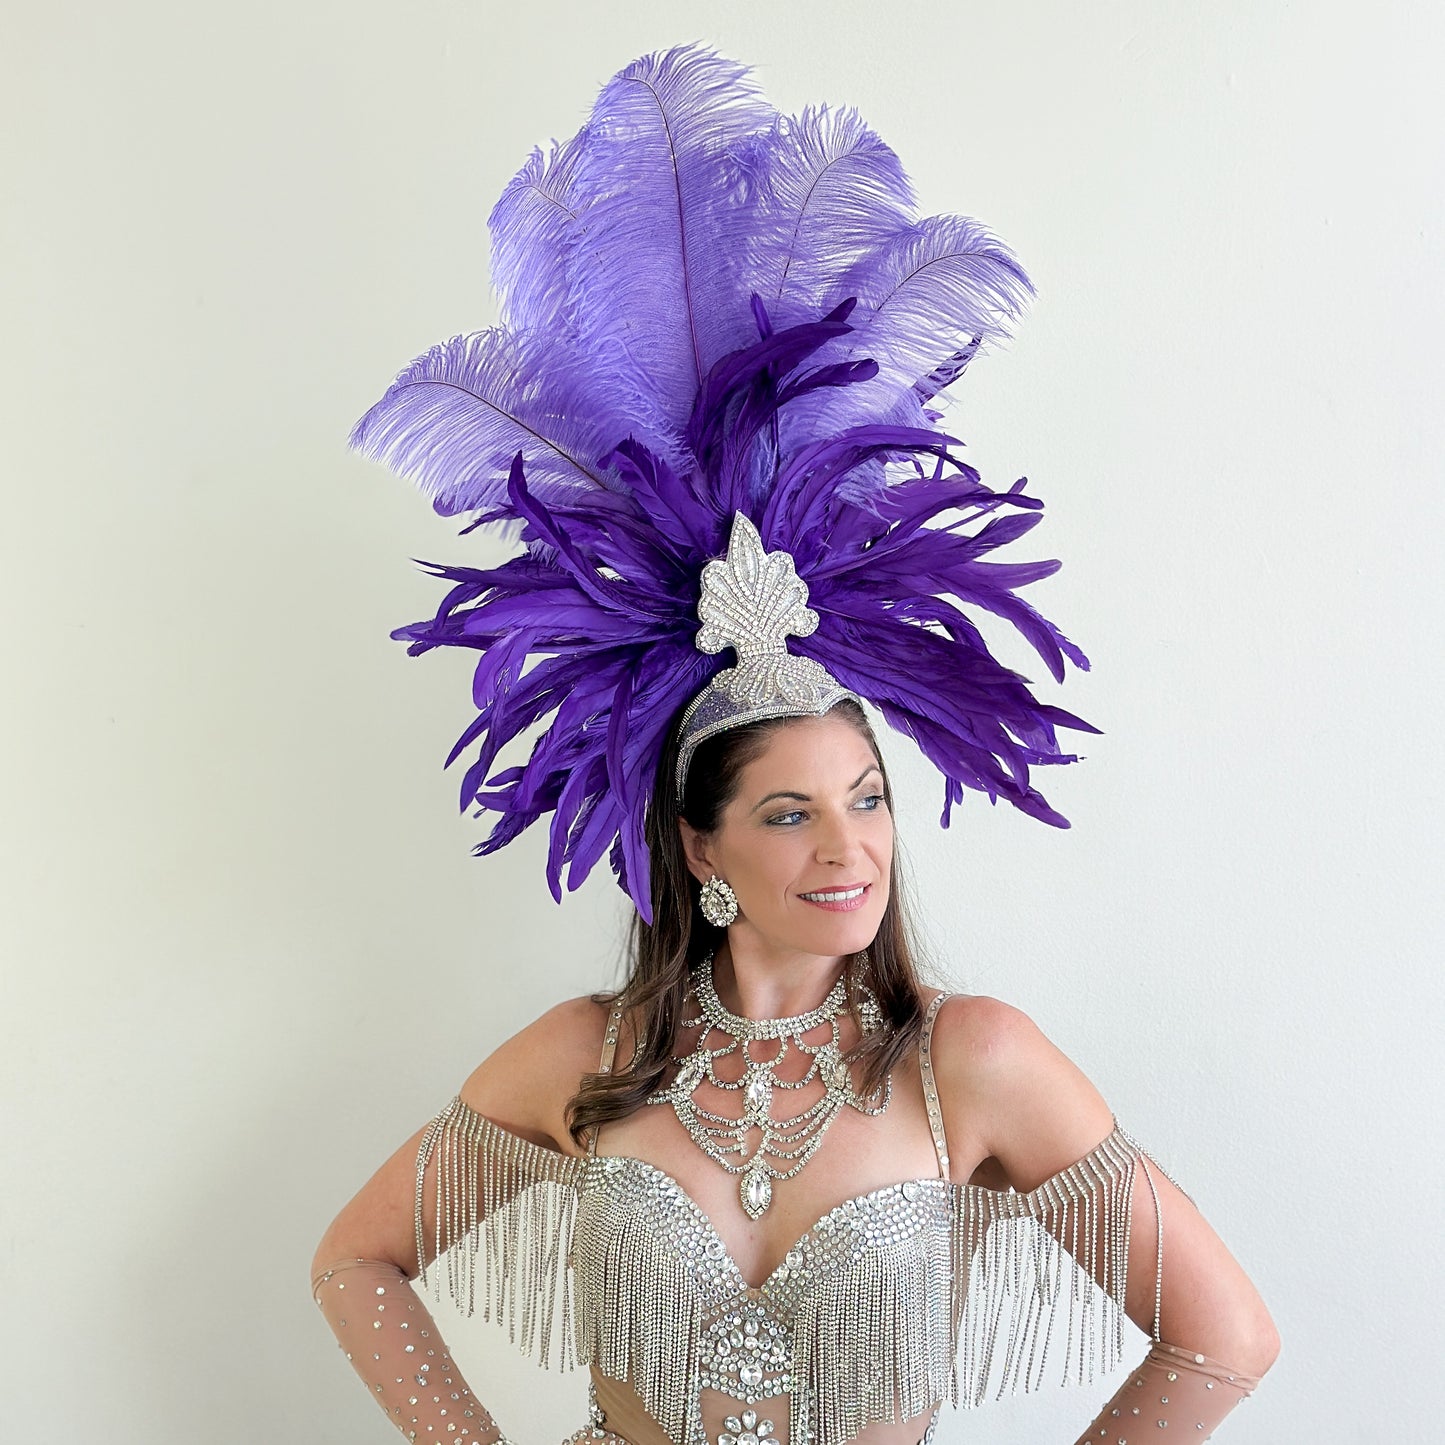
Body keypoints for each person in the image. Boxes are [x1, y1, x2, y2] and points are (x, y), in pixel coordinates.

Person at [313, 44, 1278, 1445]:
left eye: (868, 796)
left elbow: (1223, 1336)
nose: (850, 845)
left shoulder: (970, 1065)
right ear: (697, 841)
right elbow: (356, 1261)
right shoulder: (591, 1057)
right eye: (788, 812)